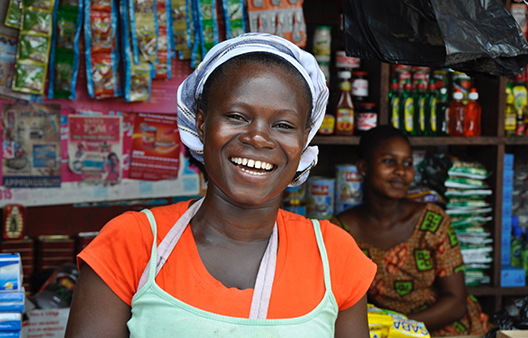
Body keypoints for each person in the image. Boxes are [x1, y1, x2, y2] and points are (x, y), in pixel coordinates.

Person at [65, 33, 376, 338]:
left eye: (283, 125)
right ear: (201, 123)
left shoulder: (334, 256)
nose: (258, 137)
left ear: (304, 138)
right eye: (237, 116)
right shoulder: (133, 244)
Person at [331, 125, 488, 337]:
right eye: (389, 161)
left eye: (408, 163)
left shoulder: (432, 221)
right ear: (363, 167)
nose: (401, 171)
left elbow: (456, 302)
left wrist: (399, 328)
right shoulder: (340, 231)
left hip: (447, 331)